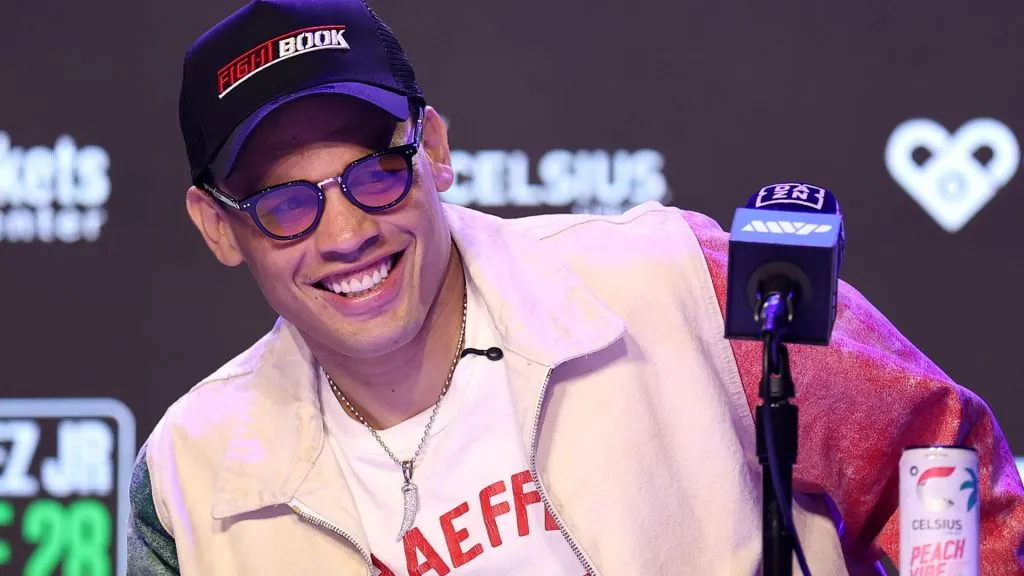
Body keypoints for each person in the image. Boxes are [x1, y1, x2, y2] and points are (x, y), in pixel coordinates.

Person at [127, 0, 1024, 574]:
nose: (348, 232)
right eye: (286, 202)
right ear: (218, 227)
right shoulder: (186, 478)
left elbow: (945, 465)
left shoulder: (675, 281)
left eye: (376, 172)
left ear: (434, 151)